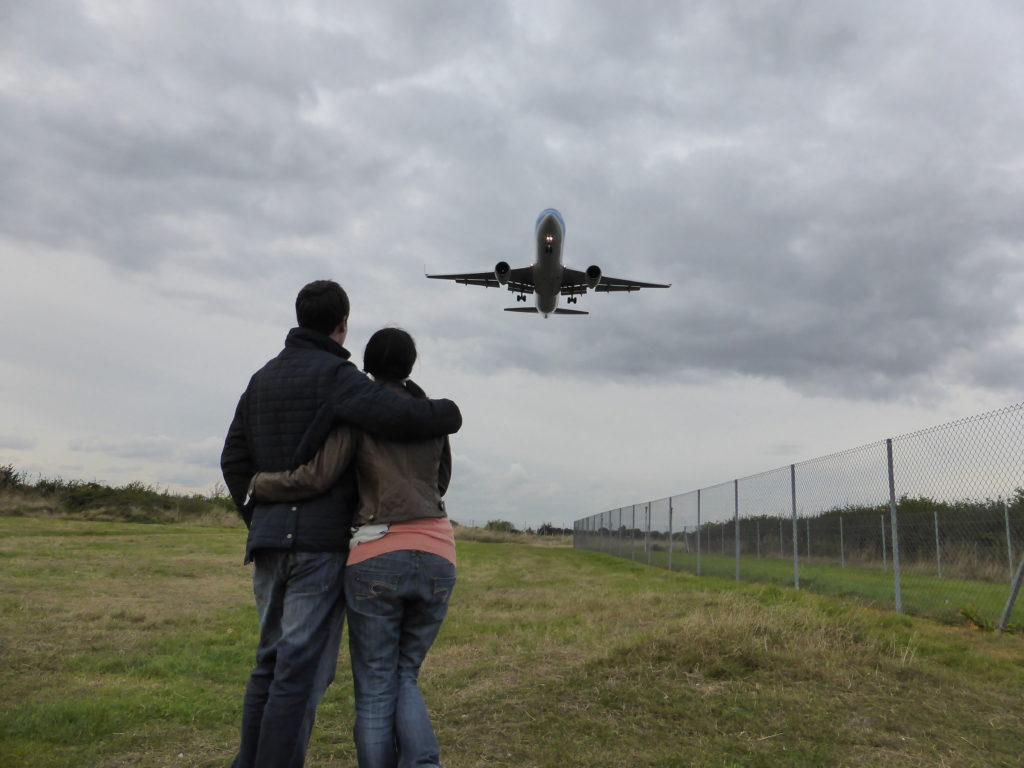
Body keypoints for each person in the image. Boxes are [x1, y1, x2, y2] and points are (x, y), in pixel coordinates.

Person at [220, 282, 461, 768]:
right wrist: (447, 413)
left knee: (268, 663)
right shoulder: (340, 378)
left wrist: (257, 514)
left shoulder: (260, 378)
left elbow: (234, 458)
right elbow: (398, 419)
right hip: (325, 544)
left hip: (273, 543)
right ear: (343, 323)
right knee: (301, 671)